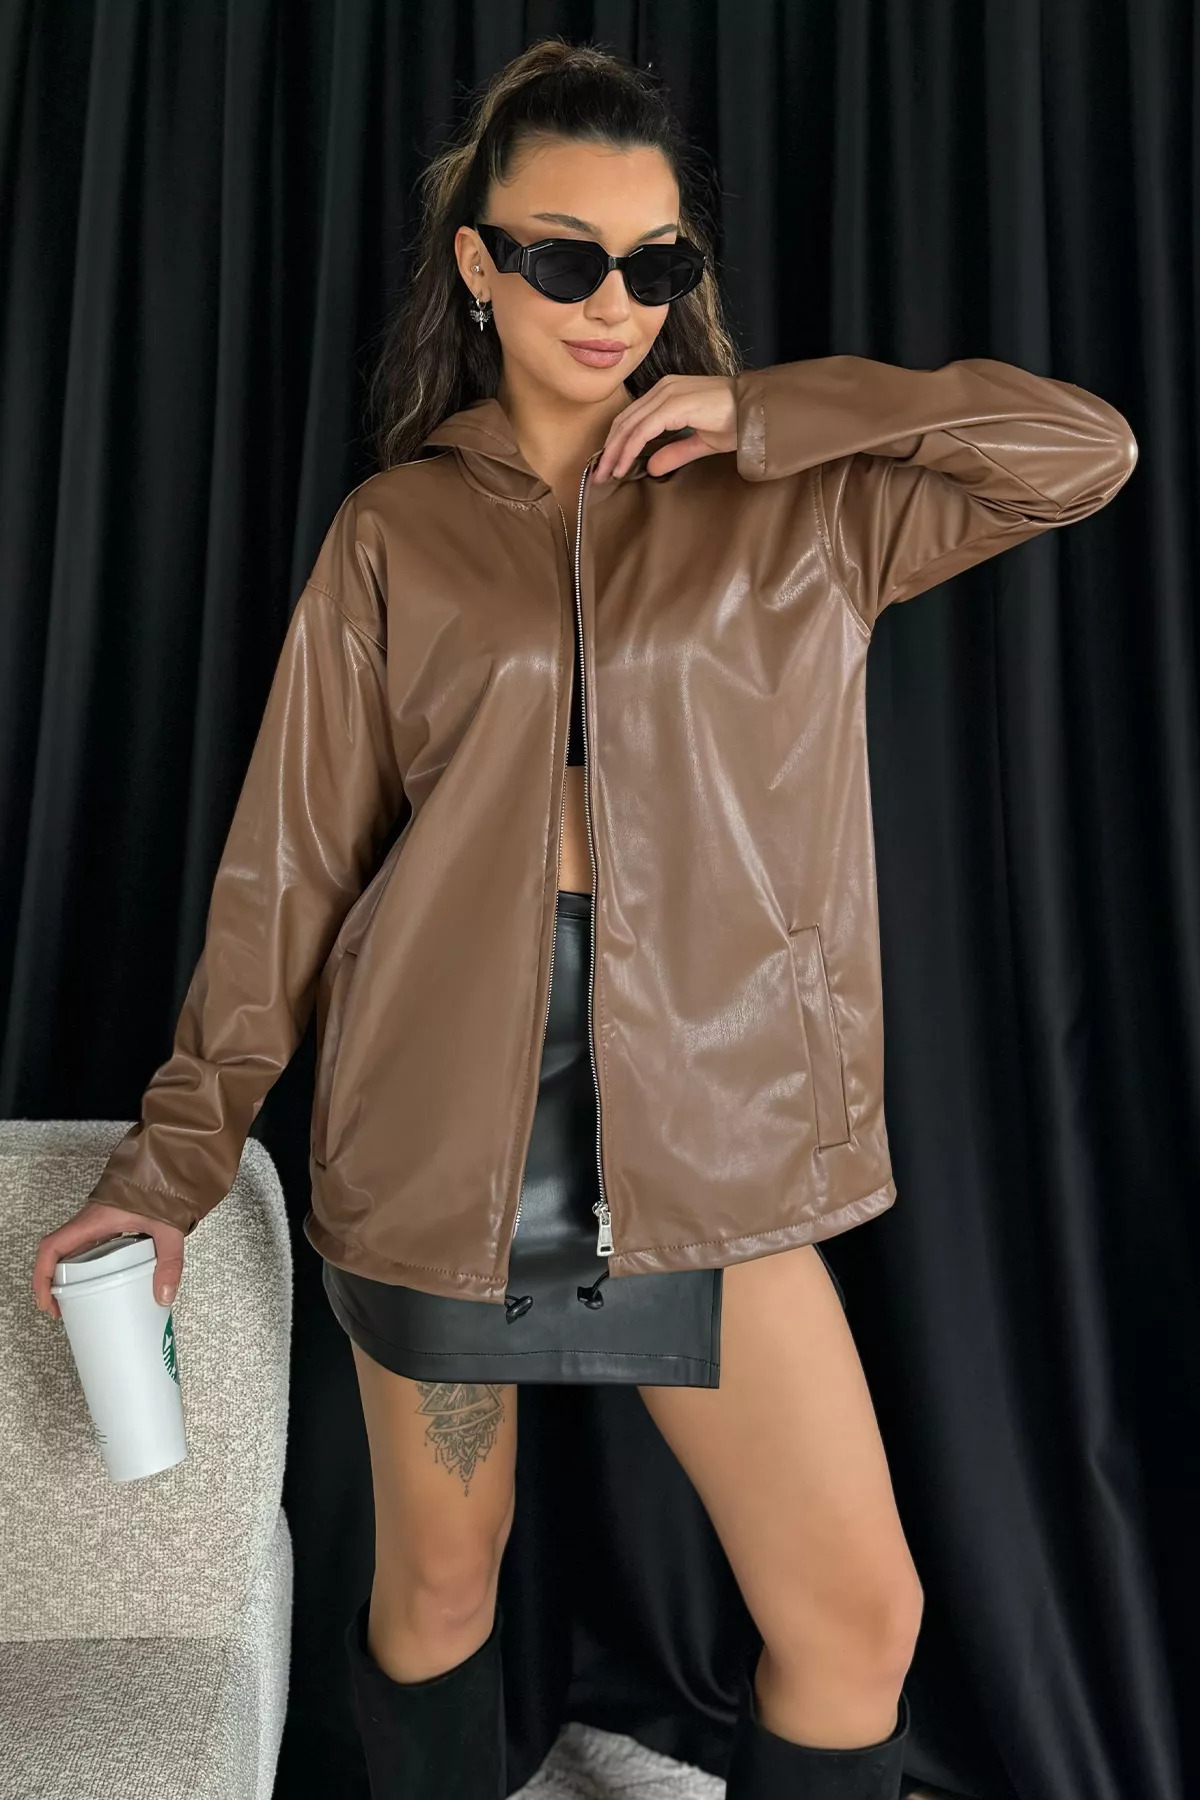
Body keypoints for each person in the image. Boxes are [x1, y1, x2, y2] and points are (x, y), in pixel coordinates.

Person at [30, 35, 1138, 1800]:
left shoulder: (801, 507)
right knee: (438, 1586)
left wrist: (775, 412)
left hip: (711, 1126)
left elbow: (1081, 452)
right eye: (565, 256)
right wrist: (168, 1171)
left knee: (857, 1618)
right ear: (478, 264)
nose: (616, 302)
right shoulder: (395, 532)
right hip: (439, 1127)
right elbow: (288, 869)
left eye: (656, 261)